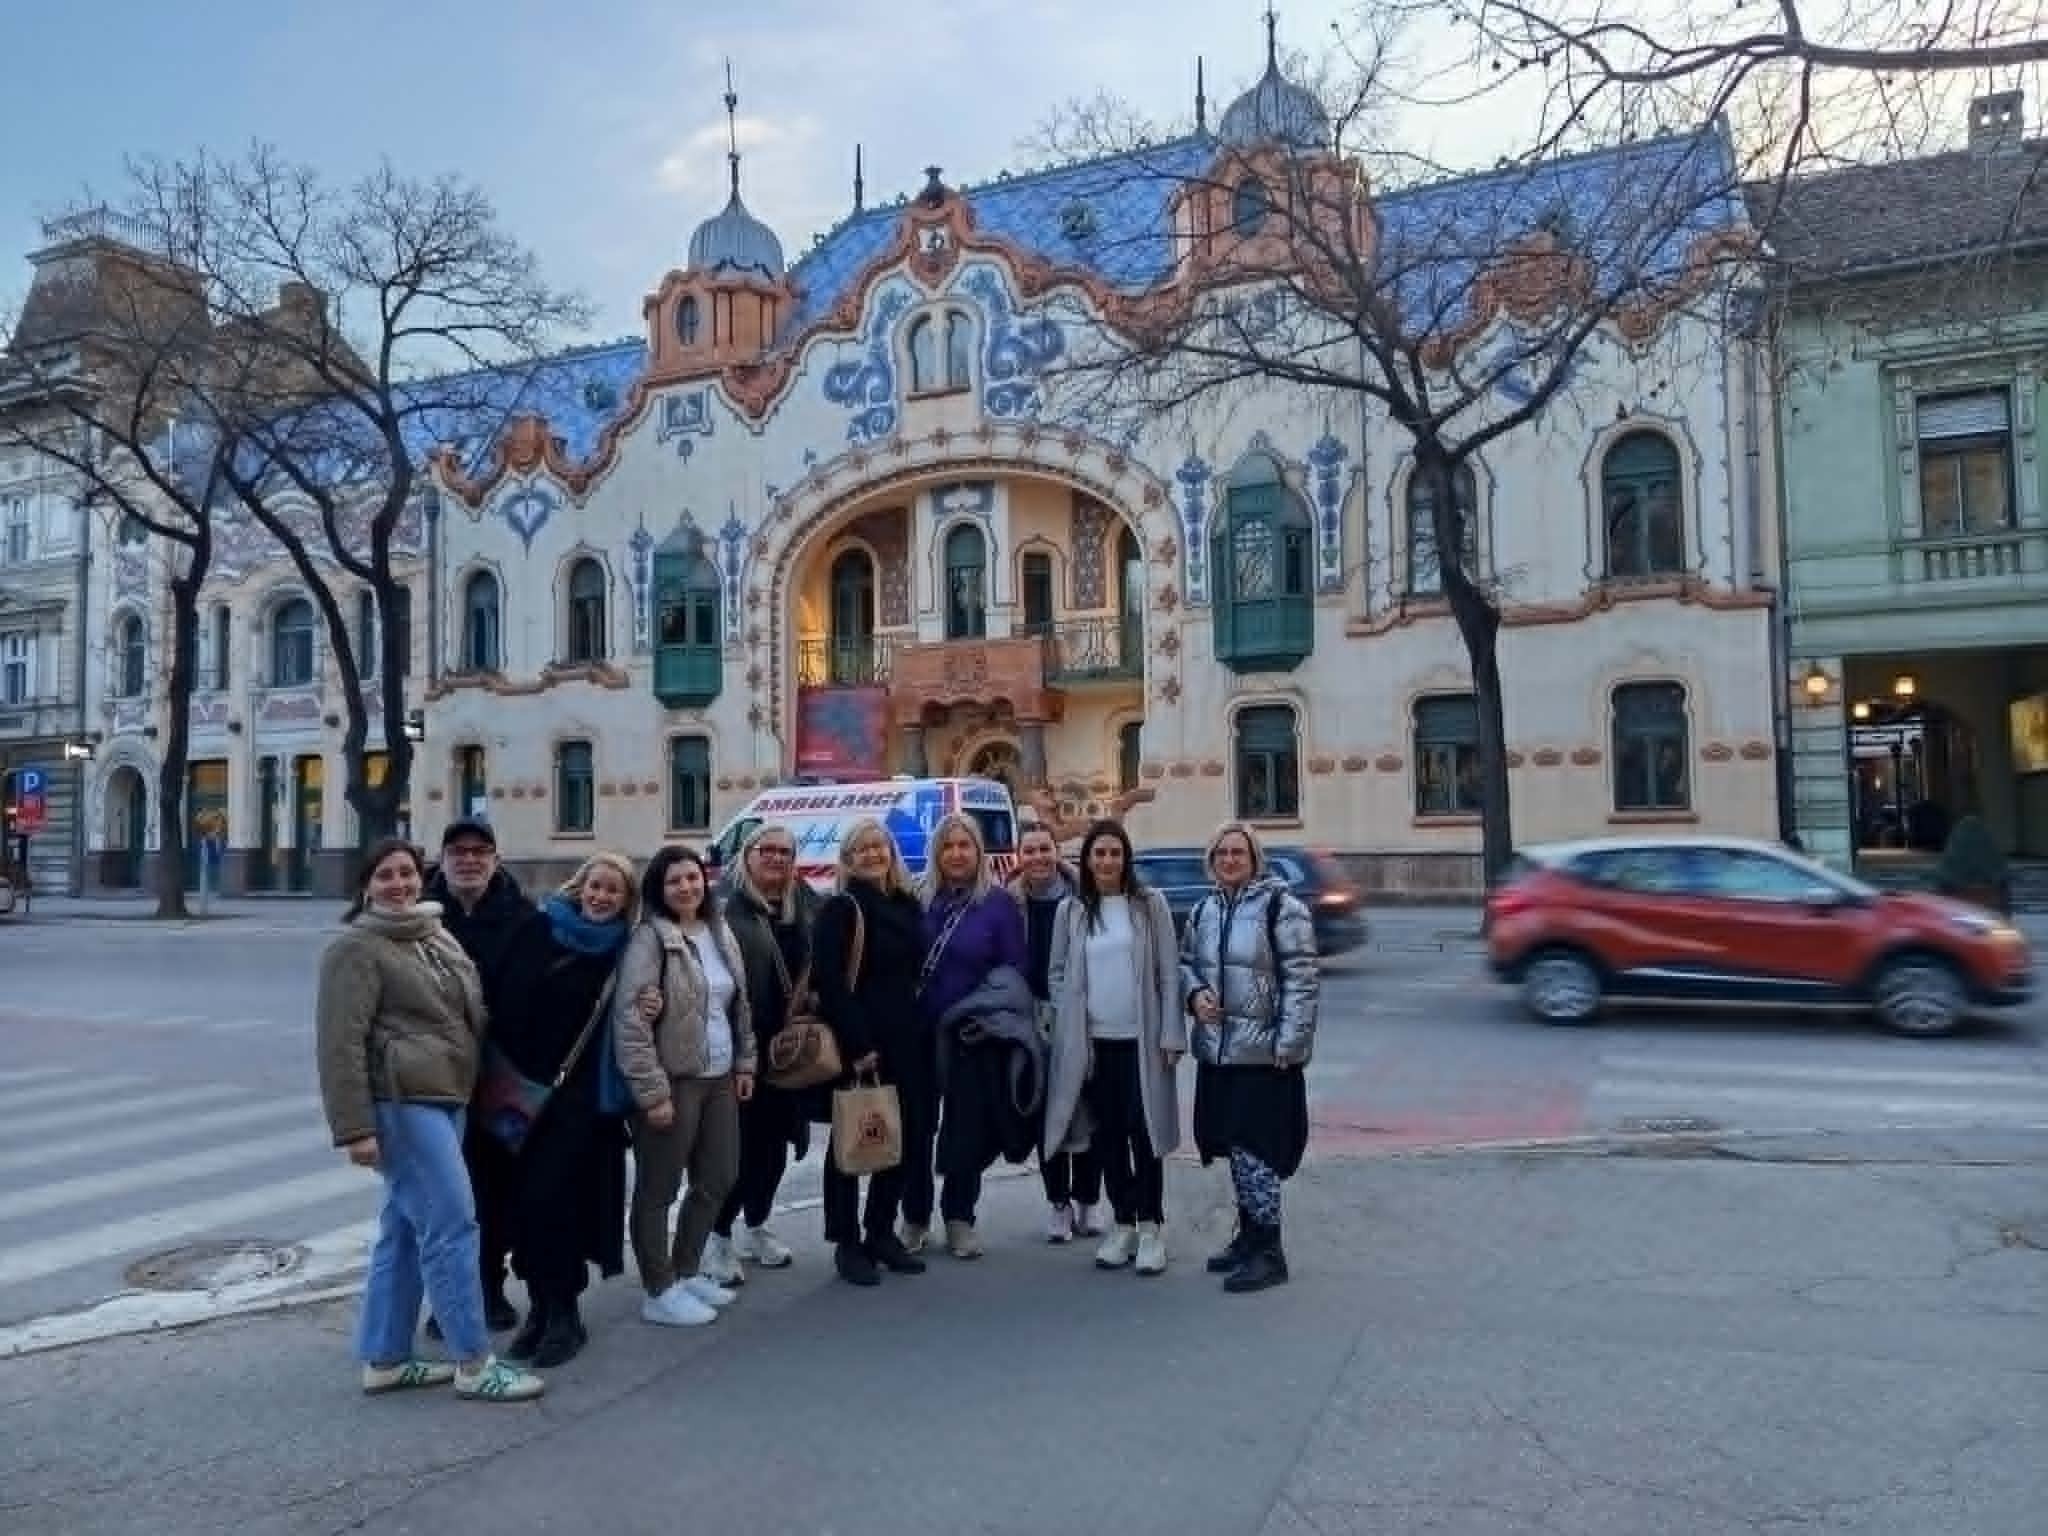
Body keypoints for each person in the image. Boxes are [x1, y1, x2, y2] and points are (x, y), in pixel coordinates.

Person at [315, 837, 543, 1403]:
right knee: (453, 1226)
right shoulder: (355, 948)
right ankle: (473, 1361)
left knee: (402, 1229)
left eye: (408, 874)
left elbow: (471, 1011)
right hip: (401, 1100)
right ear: (366, 884)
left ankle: (386, 1356)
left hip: (447, 1096)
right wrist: (356, 1128)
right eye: (386, 875)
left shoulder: (431, 933)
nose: (400, 884)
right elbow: (339, 1045)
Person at [489, 853, 637, 1365]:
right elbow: (503, 1004)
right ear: (580, 886)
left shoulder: (625, 952)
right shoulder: (540, 930)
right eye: (595, 886)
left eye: (613, 891)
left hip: (586, 1104)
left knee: (565, 1206)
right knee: (529, 1205)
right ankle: (538, 1307)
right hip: (526, 1097)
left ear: (626, 901)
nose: (601, 897)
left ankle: (565, 1313)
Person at [614, 845, 755, 1328]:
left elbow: (740, 1005)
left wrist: (746, 1064)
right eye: (674, 881)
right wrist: (652, 1094)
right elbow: (631, 1023)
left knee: (718, 1176)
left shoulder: (720, 931)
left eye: (692, 878)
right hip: (673, 1079)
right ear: (659, 888)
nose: (686, 887)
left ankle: (688, 1268)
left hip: (719, 1076)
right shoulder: (649, 939)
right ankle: (659, 1288)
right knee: (658, 1187)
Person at [1179, 822, 1319, 1294]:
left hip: (1263, 1055)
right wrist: (1194, 994)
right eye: (1222, 853)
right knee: (1234, 1149)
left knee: (1257, 1151)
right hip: (1218, 1053)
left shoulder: (1283, 908)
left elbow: (1302, 980)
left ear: (1256, 858)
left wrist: (1290, 1045)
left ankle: (1269, 1251)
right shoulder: (1204, 910)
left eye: (1239, 852)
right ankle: (1248, 1237)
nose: (1230, 860)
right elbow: (1186, 966)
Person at [1044, 819, 1184, 1276]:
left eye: (1114, 853)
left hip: (1141, 1043)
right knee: (1106, 1138)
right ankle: (1121, 1223)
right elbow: (1057, 973)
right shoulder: (1073, 911)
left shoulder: (1150, 906)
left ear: (1126, 858)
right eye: (1098, 853)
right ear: (1086, 860)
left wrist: (1170, 1033)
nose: (1106, 861)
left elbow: (1169, 973)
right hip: (1094, 1046)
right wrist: (1071, 1021)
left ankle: (1150, 1228)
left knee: (1146, 1136)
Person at [421, 817, 532, 1338]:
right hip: (433, 1077)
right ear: (443, 859)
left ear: (496, 859)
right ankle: (446, 1298)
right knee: (441, 1197)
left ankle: (487, 1287)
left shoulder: (521, 915)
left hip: (499, 1075)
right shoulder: (417, 916)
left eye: (480, 851)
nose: (469, 860)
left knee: (494, 1190)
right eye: (458, 851)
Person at [811, 817, 931, 1287]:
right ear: (847, 858)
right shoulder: (841, 908)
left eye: (878, 846)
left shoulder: (904, 903)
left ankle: (881, 1231)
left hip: (910, 1038)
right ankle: (846, 1243)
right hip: (863, 1042)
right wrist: (859, 1046)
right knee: (852, 1138)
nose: (872, 855)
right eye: (861, 849)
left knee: (907, 1135)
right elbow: (831, 983)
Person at [913, 811, 1034, 1260]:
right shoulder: (919, 900)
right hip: (922, 1032)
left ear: (978, 852)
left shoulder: (998, 905)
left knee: (966, 1130)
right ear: (937, 854)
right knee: (917, 1128)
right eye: (948, 846)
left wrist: (982, 1009)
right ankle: (915, 1216)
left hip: (971, 1033)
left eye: (965, 845)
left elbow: (1014, 969)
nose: (957, 853)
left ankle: (960, 1217)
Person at [704, 822, 820, 1283]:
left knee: (775, 1148)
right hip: (739, 1050)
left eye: (785, 853)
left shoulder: (803, 906)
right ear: (747, 856)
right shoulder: (726, 910)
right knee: (733, 1151)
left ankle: (756, 1226)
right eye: (766, 850)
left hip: (787, 1049)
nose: (776, 859)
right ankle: (717, 1238)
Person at [1007, 821, 1103, 1244]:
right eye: (1030, 851)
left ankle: (1088, 1201)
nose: (1039, 858)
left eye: (1045, 849)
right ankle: (1058, 1204)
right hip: (1033, 1020)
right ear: (1018, 857)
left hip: (1083, 1014)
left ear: (1056, 852)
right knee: (1049, 1112)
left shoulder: (1085, 897)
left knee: (1089, 1110)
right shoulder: (1008, 904)